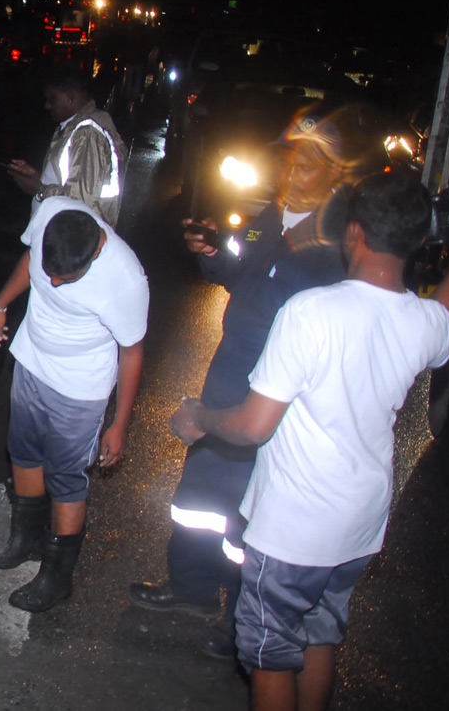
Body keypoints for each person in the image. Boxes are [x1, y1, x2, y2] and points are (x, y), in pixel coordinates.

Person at [169, 172, 449, 711]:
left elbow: (252, 426)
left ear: (354, 233)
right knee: (320, 636)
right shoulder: (422, 320)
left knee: (269, 655)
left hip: (295, 526)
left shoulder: (310, 313)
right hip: (359, 525)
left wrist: (201, 417)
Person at [129, 112, 352, 657]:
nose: (292, 169)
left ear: (337, 175)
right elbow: (240, 271)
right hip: (229, 374)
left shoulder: (332, 244)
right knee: (201, 497)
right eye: (289, 157)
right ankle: (192, 587)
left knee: (251, 515)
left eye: (308, 162)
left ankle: (241, 623)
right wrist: (211, 252)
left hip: (272, 393)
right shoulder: (270, 218)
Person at [0, 197, 148, 612]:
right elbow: (27, 259)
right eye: (50, 272)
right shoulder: (49, 212)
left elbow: (132, 352)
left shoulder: (126, 280)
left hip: (80, 386)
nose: (53, 284)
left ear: (94, 252)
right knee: (23, 453)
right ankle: (23, 542)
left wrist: (119, 424)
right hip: (31, 358)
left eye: (65, 278)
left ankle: (57, 578)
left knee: (65, 476)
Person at [4, 68, 127, 226]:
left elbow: (81, 203)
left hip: (71, 240)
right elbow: (71, 181)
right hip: (62, 235)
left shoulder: (87, 135)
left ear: (69, 96)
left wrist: (39, 188)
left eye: (52, 99)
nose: (47, 105)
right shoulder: (73, 128)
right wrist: (37, 176)